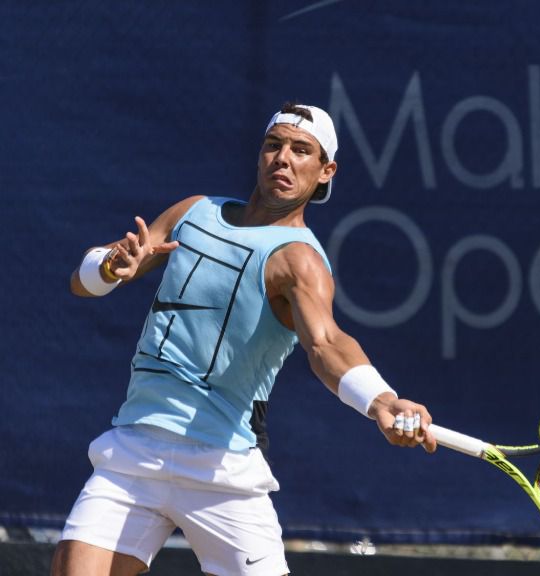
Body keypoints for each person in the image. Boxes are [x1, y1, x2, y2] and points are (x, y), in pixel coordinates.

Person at [52, 103, 436, 576]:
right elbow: (80, 281)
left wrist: (380, 400)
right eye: (274, 145)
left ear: (324, 171)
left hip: (222, 469)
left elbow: (326, 344)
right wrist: (110, 267)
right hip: (134, 450)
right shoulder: (194, 212)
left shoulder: (299, 261)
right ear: (259, 155)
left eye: (301, 150)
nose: (284, 158)